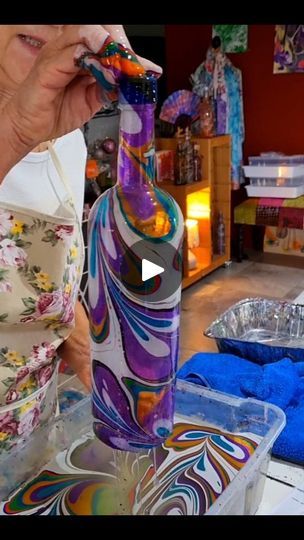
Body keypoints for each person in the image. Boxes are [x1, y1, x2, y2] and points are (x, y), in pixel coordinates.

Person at [0, 25, 162, 449]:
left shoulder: (69, 138)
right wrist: (15, 130)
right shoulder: (24, 125)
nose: (54, 29)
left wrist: (88, 347)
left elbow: (39, 284)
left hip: (31, 433)